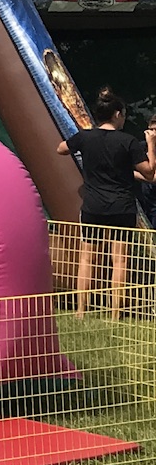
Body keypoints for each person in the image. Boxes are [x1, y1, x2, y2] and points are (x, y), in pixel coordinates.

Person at [56, 87, 156, 319]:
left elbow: (61, 149)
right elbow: (150, 173)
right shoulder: (128, 142)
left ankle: (81, 311)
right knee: (119, 260)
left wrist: (81, 149)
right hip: (121, 207)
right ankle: (114, 314)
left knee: (86, 258)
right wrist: (151, 144)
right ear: (117, 114)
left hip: (93, 206)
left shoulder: (85, 137)